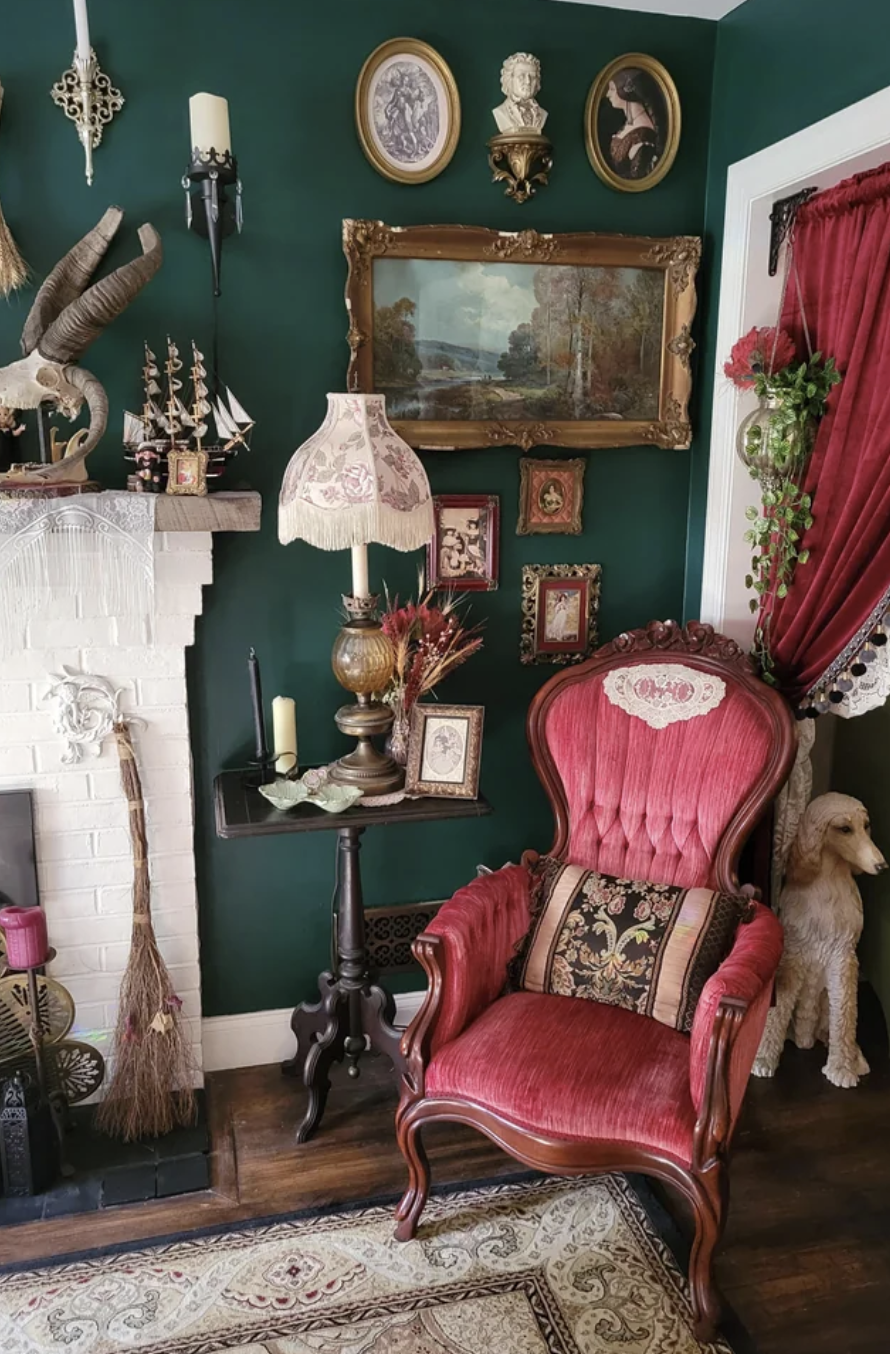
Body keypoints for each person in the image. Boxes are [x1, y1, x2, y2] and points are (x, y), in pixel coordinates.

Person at [604, 68, 661, 181]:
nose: (607, 94)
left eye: (612, 89)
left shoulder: (643, 135)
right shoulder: (629, 124)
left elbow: (636, 178)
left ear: (625, 91)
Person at [492, 53, 548, 135]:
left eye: (532, 76)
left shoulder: (542, 114)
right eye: (521, 76)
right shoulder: (500, 112)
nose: (528, 81)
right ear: (509, 79)